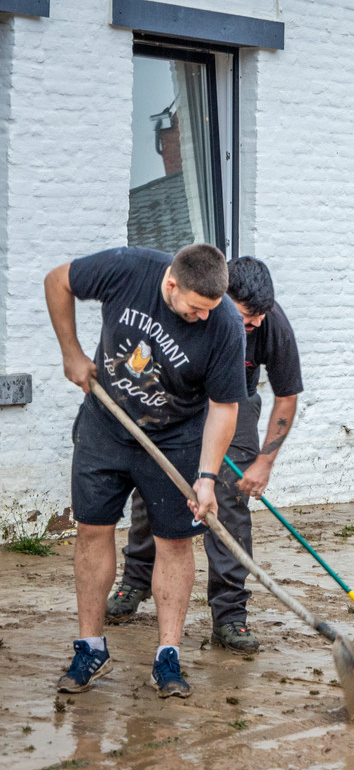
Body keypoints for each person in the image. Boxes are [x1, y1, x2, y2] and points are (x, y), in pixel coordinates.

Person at [45, 244, 245, 698]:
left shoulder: (226, 324)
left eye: (210, 310)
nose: (202, 318)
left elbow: (224, 407)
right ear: (171, 284)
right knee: (92, 530)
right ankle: (91, 647)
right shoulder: (127, 269)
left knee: (174, 542)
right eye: (195, 309)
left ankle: (167, 656)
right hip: (106, 425)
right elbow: (58, 281)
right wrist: (71, 353)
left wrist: (208, 477)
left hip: (175, 438)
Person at [105, 257, 303, 653]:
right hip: (174, 397)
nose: (256, 325)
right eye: (248, 317)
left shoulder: (269, 323)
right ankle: (136, 581)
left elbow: (287, 395)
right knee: (154, 486)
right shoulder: (185, 308)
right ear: (218, 300)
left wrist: (263, 462)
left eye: (262, 316)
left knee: (228, 498)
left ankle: (229, 615)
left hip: (233, 402)